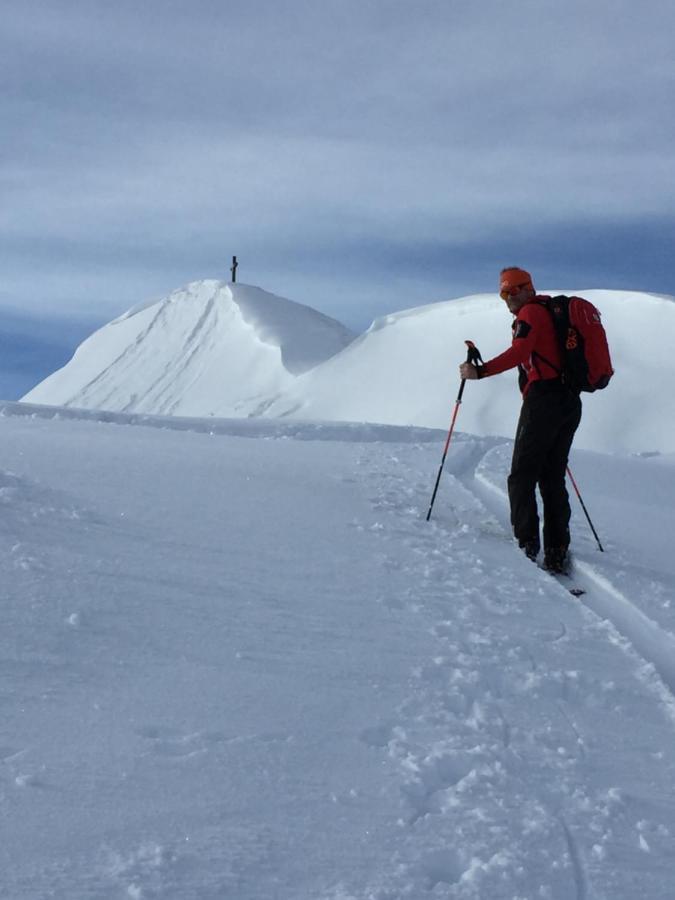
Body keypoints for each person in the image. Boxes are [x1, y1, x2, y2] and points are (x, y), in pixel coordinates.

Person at [459, 266, 582, 574]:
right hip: (569, 399)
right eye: (504, 292)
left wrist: (481, 371)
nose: (509, 297)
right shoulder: (547, 314)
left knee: (522, 475)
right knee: (551, 476)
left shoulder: (530, 314)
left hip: (543, 400)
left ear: (529, 288)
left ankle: (526, 544)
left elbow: (520, 351)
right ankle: (557, 549)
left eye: (515, 289)